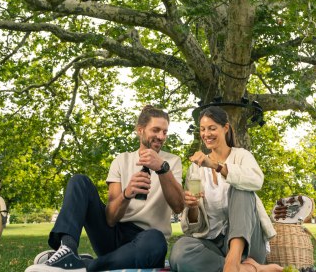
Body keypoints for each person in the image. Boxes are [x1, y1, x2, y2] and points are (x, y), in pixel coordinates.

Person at [26, 105, 185, 272]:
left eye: (165, 132)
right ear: (140, 130)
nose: (161, 136)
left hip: (147, 240)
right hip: (113, 236)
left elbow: (178, 206)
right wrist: (126, 193)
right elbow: (110, 219)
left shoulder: (172, 162)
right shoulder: (121, 160)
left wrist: (162, 168)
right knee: (79, 181)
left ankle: (85, 266)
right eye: (156, 130)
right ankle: (67, 249)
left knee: (156, 239)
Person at [169, 106, 282, 272]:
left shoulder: (242, 156)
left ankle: (233, 262)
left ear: (226, 128)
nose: (206, 134)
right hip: (213, 244)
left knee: (241, 187)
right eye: (202, 129)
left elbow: (256, 181)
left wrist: (215, 165)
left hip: (247, 245)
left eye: (212, 128)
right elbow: (192, 228)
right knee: (180, 252)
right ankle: (250, 270)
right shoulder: (196, 169)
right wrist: (193, 207)